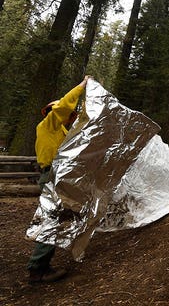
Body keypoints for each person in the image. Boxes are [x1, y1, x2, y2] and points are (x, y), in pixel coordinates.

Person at [27, 75, 89, 284]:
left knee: (57, 220)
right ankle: (38, 268)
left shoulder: (61, 131)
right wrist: (81, 86)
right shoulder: (48, 125)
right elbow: (63, 107)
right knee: (52, 221)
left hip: (60, 175)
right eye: (67, 114)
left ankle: (40, 265)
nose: (69, 118)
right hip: (52, 176)